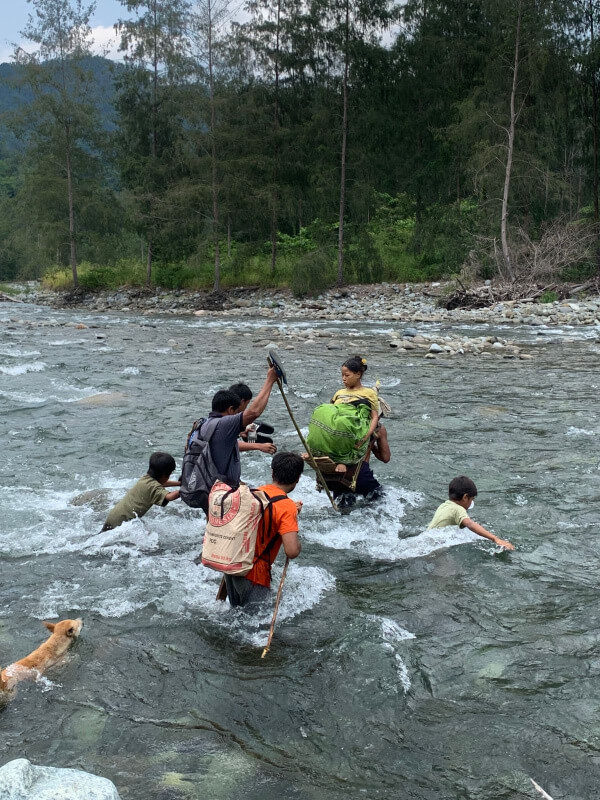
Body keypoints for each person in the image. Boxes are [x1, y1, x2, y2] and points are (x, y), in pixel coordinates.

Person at [187, 365, 278, 513]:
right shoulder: (224, 424)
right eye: (237, 412)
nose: (239, 414)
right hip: (221, 493)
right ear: (230, 410)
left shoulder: (203, 423)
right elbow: (254, 412)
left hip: (207, 488)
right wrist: (270, 380)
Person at [225, 452, 304, 608]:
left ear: (272, 472)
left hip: (232, 565)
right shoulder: (287, 508)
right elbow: (292, 551)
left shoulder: (254, 493)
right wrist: (292, 520)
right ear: (297, 479)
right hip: (255, 573)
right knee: (256, 628)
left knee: (236, 616)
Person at [306, 354, 380, 470]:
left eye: (347, 375)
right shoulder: (339, 392)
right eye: (342, 375)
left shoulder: (369, 393)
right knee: (320, 411)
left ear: (358, 375)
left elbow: (374, 417)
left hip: (354, 424)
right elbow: (330, 412)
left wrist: (365, 437)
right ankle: (315, 451)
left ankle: (343, 460)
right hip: (337, 421)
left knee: (343, 422)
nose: (343, 378)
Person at [427, 475, 514, 550]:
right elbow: (470, 524)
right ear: (465, 497)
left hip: (428, 542)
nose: (471, 503)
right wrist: (495, 539)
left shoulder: (444, 505)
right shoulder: (458, 509)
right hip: (437, 549)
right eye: (472, 499)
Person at [100, 452, 180, 532]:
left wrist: (179, 484)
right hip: (122, 521)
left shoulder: (146, 479)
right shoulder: (153, 487)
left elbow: (162, 483)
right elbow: (170, 496)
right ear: (164, 474)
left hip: (114, 516)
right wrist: (187, 490)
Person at [326, 422, 391, 508]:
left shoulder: (340, 424)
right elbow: (385, 458)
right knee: (381, 503)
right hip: (360, 474)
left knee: (342, 511)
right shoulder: (378, 428)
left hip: (338, 475)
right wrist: (371, 444)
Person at [229, 382, 277, 456]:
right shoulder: (225, 421)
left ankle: (247, 430)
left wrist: (240, 433)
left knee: (250, 433)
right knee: (251, 429)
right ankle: (250, 427)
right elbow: (229, 444)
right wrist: (259, 446)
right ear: (242, 402)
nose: (246, 408)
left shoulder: (223, 416)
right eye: (247, 404)